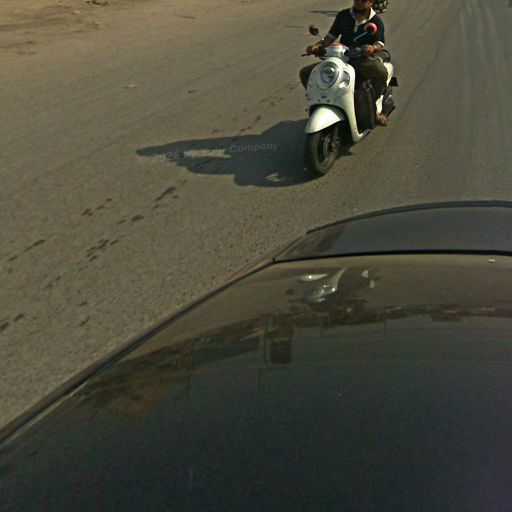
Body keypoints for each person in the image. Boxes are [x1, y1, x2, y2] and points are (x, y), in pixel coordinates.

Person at [300, 0, 390, 126]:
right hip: (340, 58)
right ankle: (319, 101)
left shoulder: (376, 21)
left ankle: (373, 108)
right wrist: (317, 46)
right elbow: (330, 37)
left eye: (363, 0)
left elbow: (379, 43)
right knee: (306, 73)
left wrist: (372, 48)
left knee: (379, 71)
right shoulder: (343, 15)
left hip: (361, 59)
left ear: (371, 2)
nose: (358, 2)